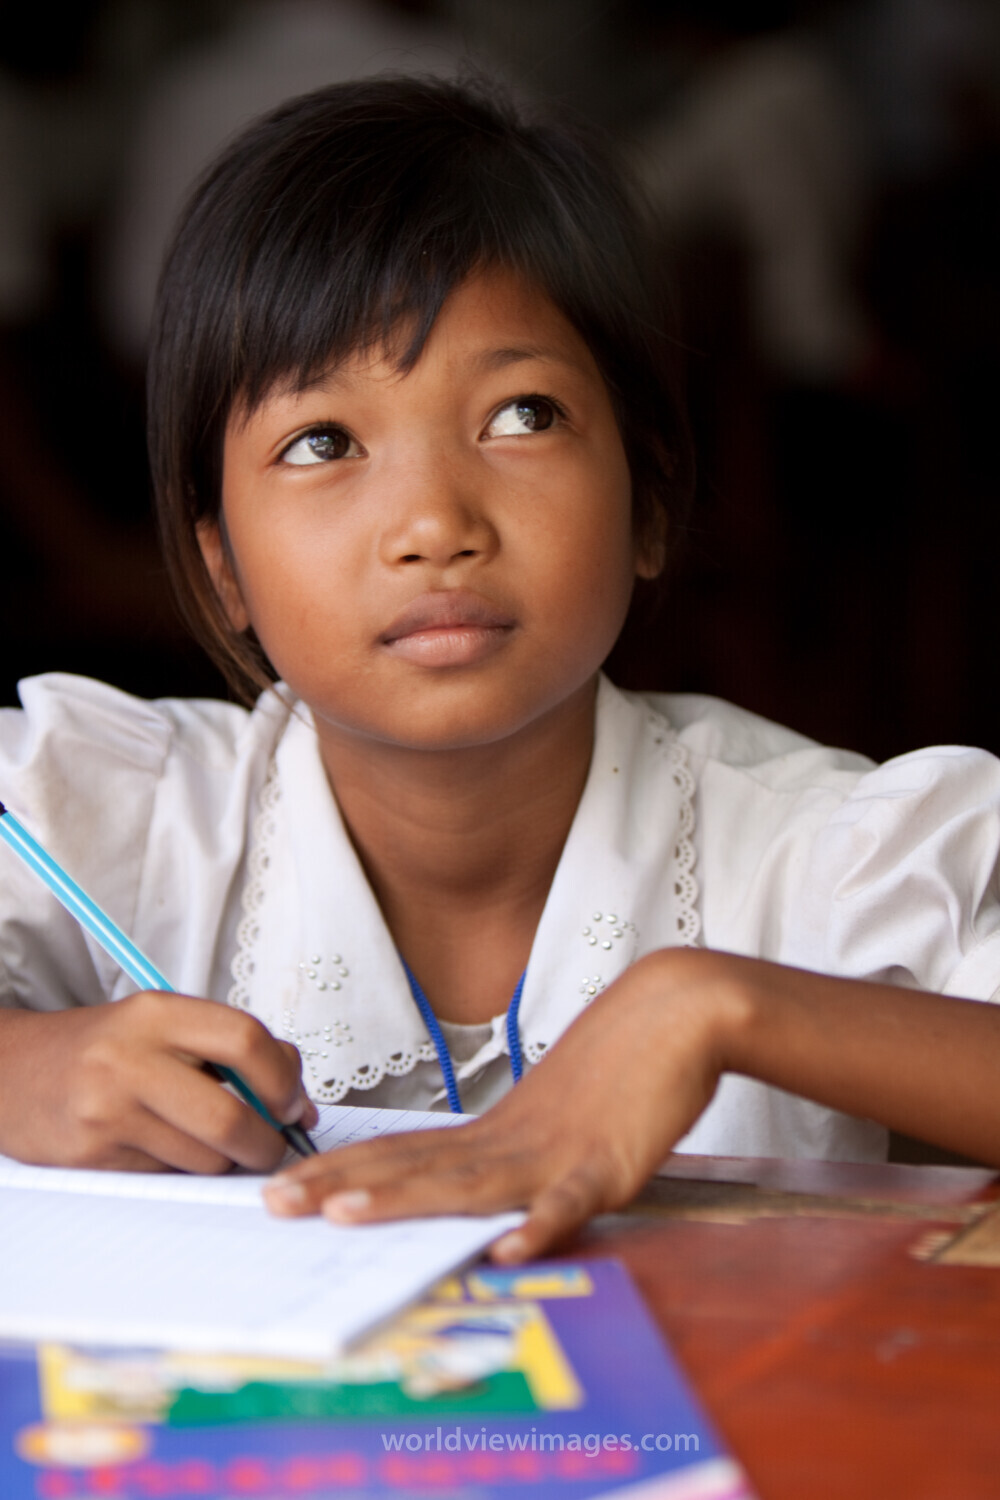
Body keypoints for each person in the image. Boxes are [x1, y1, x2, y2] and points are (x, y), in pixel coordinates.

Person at [2, 76, 1000, 1265]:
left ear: (650, 504)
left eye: (520, 414)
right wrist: (25, 1066)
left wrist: (719, 1008)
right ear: (221, 568)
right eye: (323, 442)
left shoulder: (828, 858)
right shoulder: (111, 819)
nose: (432, 520)